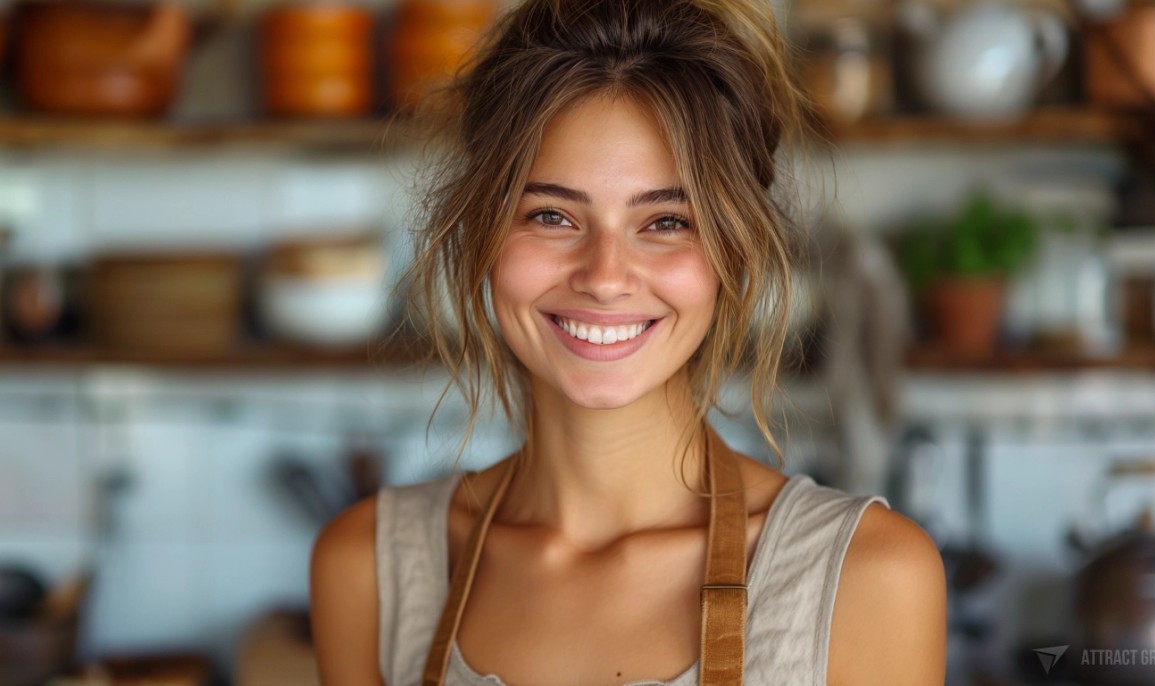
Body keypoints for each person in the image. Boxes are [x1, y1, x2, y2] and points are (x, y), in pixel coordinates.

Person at [310, 0, 947, 684]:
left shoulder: (868, 577)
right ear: (481, 237)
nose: (605, 277)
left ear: (735, 254)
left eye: (666, 221)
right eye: (552, 215)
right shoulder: (368, 568)